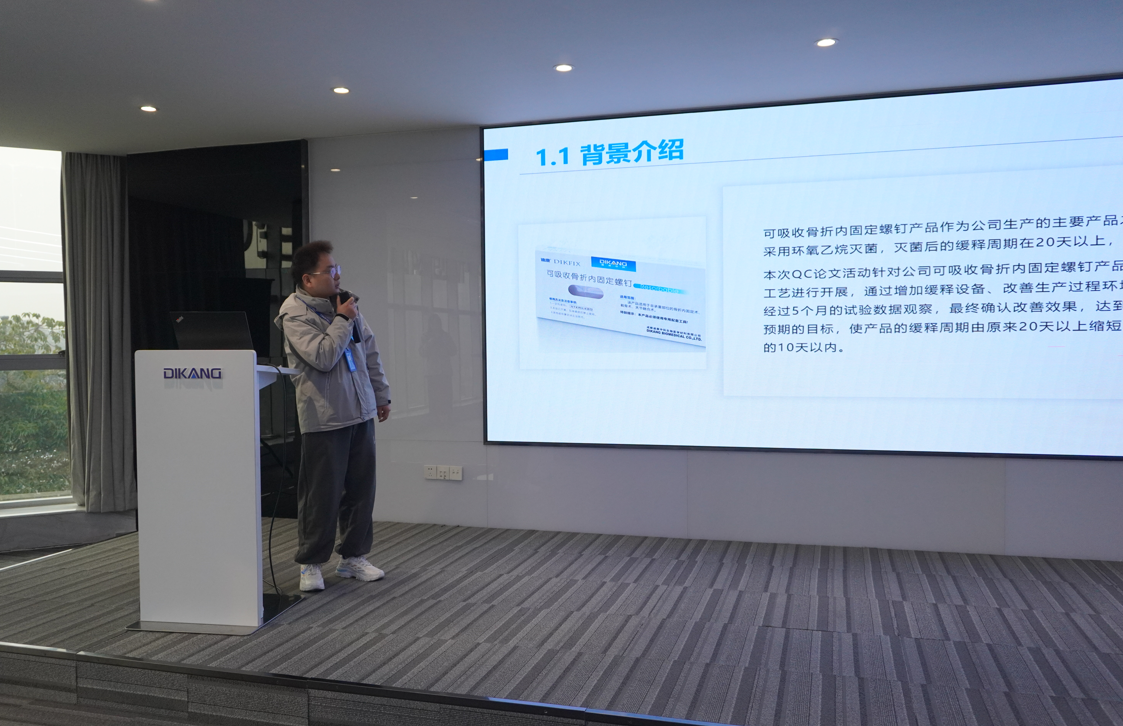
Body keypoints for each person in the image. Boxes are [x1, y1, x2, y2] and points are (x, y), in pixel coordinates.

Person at [275, 240, 391, 592]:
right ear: (308, 279)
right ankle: (310, 562)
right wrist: (342, 319)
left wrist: (381, 395)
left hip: (360, 410)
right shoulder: (294, 314)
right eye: (329, 270)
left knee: (361, 491)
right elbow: (323, 357)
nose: (337, 275)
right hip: (325, 418)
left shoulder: (347, 306)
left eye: (337, 268)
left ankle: (353, 557)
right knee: (321, 496)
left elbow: (369, 353)